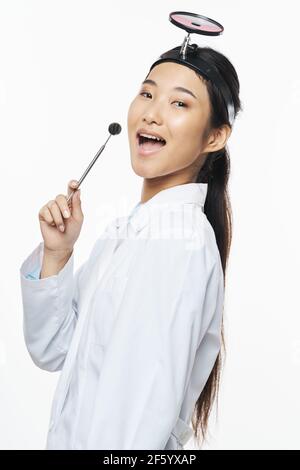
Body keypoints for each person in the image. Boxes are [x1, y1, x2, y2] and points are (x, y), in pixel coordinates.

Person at [19, 43, 241, 449]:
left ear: (214, 136)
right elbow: (56, 350)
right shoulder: (130, 231)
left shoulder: (180, 244)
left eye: (179, 103)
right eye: (147, 93)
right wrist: (57, 254)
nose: (152, 112)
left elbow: (142, 413)